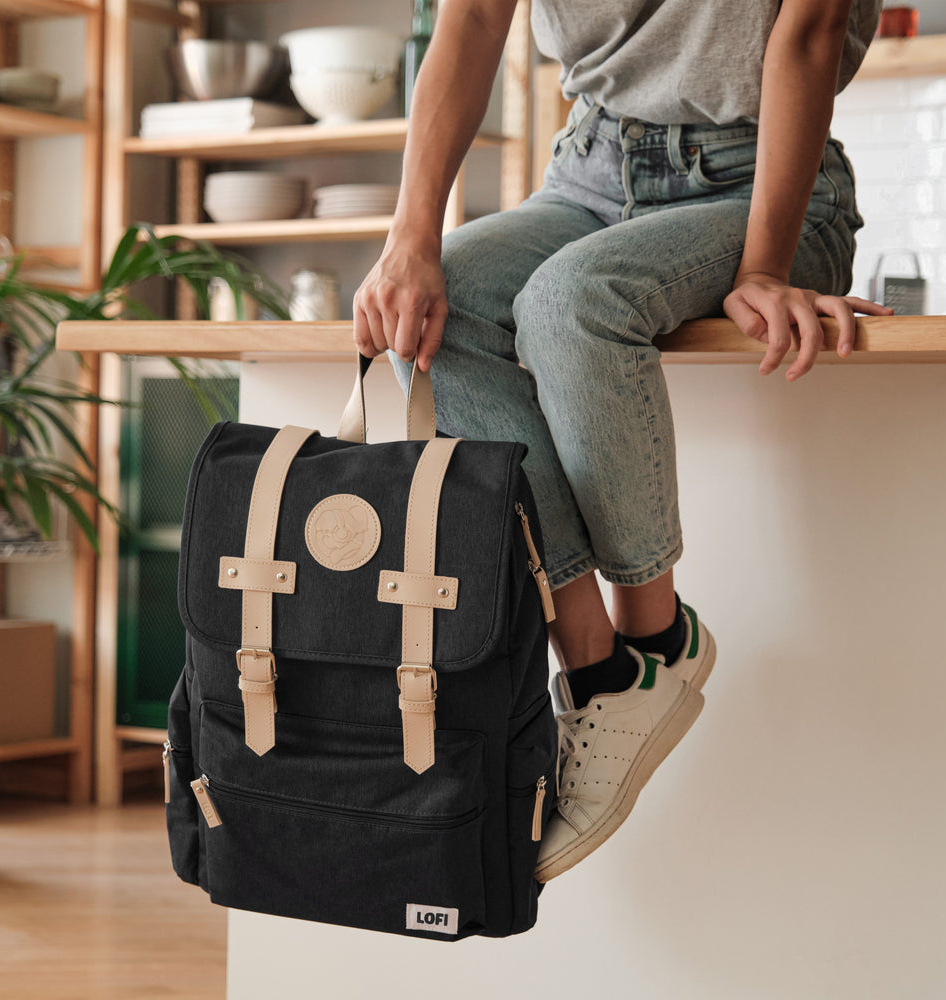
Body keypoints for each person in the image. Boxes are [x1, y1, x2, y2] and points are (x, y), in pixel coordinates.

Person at [353, 0, 892, 881]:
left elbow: (809, 31)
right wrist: (410, 238)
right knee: (432, 317)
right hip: (588, 175)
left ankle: (660, 640)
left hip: (761, 181)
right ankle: (600, 671)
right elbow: (477, 18)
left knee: (571, 303)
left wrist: (763, 267)